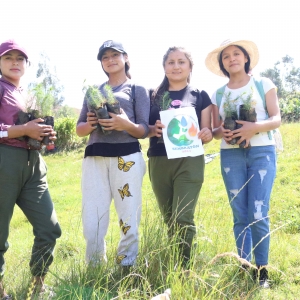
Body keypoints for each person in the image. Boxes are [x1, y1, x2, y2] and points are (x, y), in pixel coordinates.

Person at [205, 39, 281, 288]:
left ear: (246, 58)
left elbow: (276, 118)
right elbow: (216, 129)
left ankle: (262, 271)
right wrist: (221, 133)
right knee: (239, 214)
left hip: (262, 152)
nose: (232, 59)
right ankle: (243, 266)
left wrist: (253, 128)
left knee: (258, 212)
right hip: (231, 155)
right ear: (222, 64)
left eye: (236, 54)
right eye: (226, 56)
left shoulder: (263, 84)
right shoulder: (219, 93)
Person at [76, 40, 150, 268]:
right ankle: (94, 268)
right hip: (95, 158)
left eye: (115, 55)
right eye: (105, 57)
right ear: (101, 63)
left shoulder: (137, 89)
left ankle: (126, 267)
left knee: (128, 218)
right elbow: (79, 130)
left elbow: (144, 130)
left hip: (126, 158)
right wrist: (89, 124)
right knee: (92, 219)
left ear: (125, 58)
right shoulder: (93, 92)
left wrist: (125, 124)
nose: (110, 60)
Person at [0, 40, 61, 299]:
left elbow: (33, 130)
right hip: (5, 162)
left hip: (34, 165)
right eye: (8, 57)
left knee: (49, 228)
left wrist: (44, 136)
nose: (15, 62)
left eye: (20, 58)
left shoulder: (30, 94)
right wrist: (23, 130)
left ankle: (38, 284)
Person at [147, 46, 212, 268]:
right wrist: (151, 129)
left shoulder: (200, 96)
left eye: (181, 62)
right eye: (171, 62)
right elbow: (143, 128)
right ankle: (174, 263)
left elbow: (207, 132)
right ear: (164, 67)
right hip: (159, 160)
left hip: (190, 161)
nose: (176, 66)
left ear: (190, 66)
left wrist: (206, 133)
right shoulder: (152, 95)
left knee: (183, 217)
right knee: (169, 219)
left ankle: (186, 269)